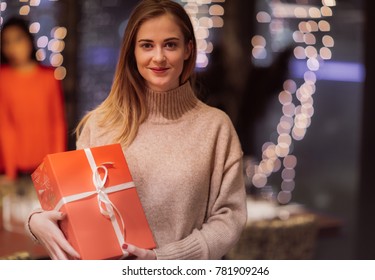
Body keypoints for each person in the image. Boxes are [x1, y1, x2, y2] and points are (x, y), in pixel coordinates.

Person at [27, 0, 247, 260]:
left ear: (188, 49)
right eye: (146, 45)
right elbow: (75, 209)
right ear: (132, 51)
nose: (159, 57)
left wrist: (163, 261)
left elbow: (229, 219)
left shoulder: (215, 128)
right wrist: (35, 221)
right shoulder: (99, 124)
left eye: (170, 44)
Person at [0, 16, 67, 182]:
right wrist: (10, 173)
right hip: (13, 168)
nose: (12, 47)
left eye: (17, 39)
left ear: (29, 40)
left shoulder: (49, 77)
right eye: (6, 42)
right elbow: (4, 126)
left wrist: (57, 166)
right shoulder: (3, 78)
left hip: (46, 166)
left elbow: (57, 124)